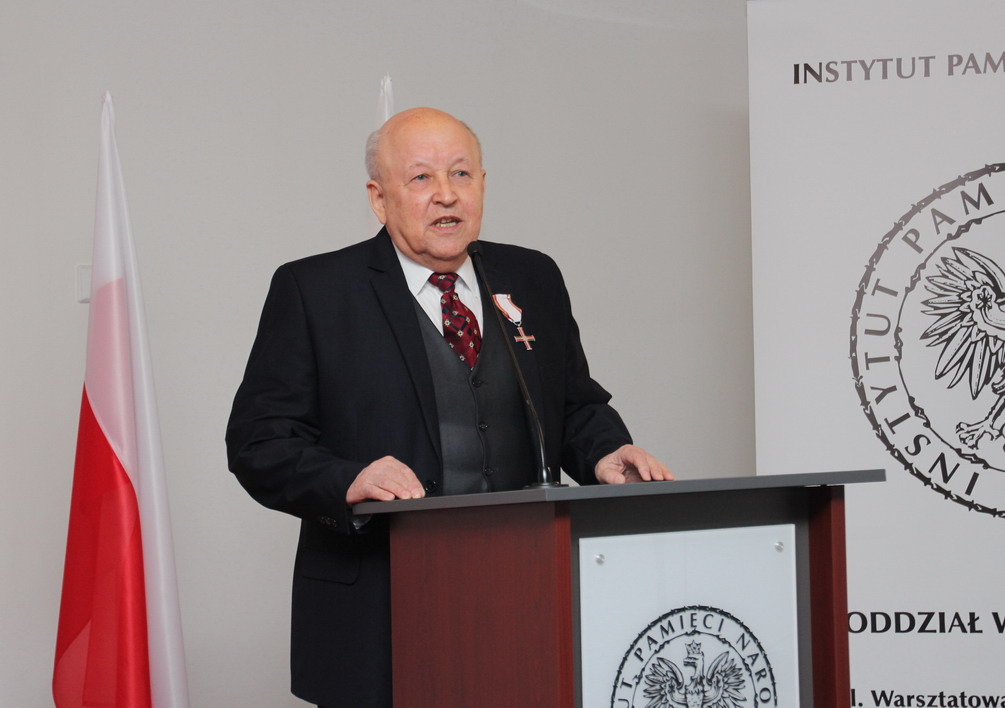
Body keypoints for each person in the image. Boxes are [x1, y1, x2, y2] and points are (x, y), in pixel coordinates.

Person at [226, 107, 672, 707]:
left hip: (526, 599)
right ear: (379, 199)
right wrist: (348, 480)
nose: (446, 194)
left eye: (461, 174)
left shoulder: (532, 277)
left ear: (483, 185)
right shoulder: (316, 291)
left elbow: (572, 403)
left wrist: (606, 452)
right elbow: (259, 441)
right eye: (421, 178)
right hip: (377, 614)